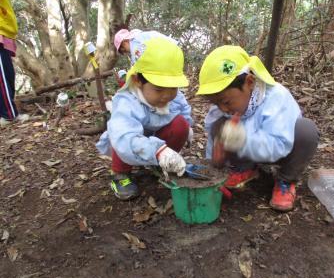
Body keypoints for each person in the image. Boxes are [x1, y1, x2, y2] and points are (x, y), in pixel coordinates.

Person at [196, 45, 319, 211]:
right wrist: (214, 163)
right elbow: (214, 140)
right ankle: (243, 168)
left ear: (249, 82)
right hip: (246, 152)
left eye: (225, 102)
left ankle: (285, 181)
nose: (223, 108)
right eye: (216, 103)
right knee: (219, 126)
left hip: (280, 152)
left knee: (307, 131)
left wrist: (242, 141)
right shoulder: (223, 109)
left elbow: (278, 146)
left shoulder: (277, 98)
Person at [97, 35, 193, 200]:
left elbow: (182, 109)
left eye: (173, 88)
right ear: (137, 80)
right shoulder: (126, 101)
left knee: (180, 125)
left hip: (156, 139)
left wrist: (187, 128)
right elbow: (124, 137)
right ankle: (120, 175)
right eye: (159, 89)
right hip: (130, 142)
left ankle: (159, 164)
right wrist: (157, 150)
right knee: (120, 137)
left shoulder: (173, 96)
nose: (167, 96)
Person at [0, 0, 28, 127]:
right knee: (3, 77)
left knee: (8, 75)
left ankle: (5, 113)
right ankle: (8, 115)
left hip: (5, 32)